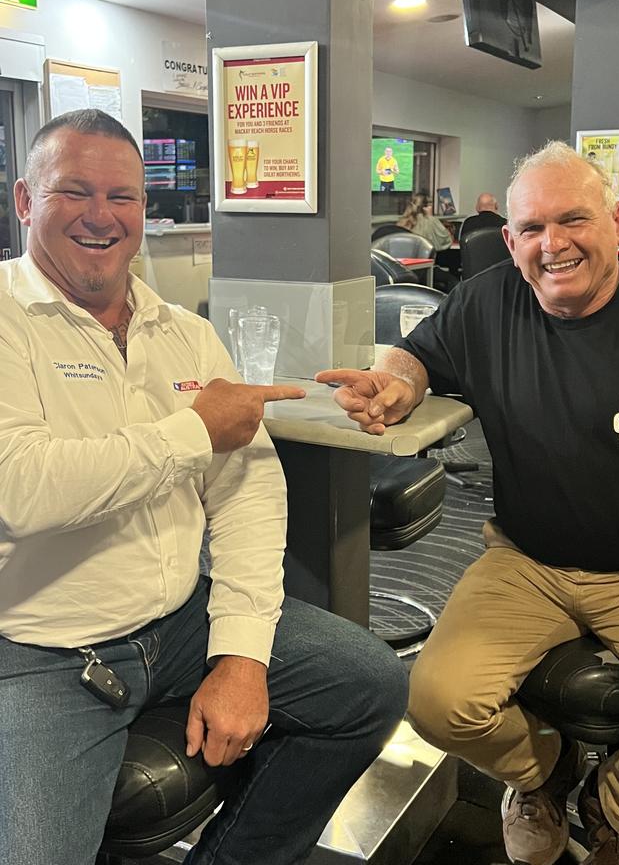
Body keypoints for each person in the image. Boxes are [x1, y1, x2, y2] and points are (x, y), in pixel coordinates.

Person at [0, 109, 408, 865]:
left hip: (179, 620)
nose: (101, 216)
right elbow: (21, 488)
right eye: (73, 192)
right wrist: (193, 430)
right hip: (41, 649)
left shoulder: (186, 334)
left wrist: (244, 655)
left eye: (123, 197)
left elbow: (249, 495)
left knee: (371, 684)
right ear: (26, 201)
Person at [316, 140, 619, 865]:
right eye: (531, 229)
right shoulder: (489, 297)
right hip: (525, 560)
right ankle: (546, 773)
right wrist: (397, 381)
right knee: (436, 700)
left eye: (573, 220)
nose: (552, 245)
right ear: (509, 240)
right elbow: (414, 354)